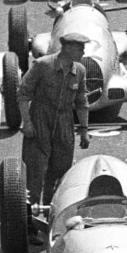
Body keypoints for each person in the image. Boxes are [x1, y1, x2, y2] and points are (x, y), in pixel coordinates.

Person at [19, 30, 91, 201]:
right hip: (40, 119)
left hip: (65, 123)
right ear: (67, 48)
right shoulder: (42, 65)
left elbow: (82, 102)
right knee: (34, 170)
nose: (83, 52)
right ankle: (32, 212)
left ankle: (53, 209)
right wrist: (27, 123)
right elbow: (23, 94)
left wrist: (84, 130)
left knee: (61, 171)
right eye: (79, 48)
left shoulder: (79, 71)